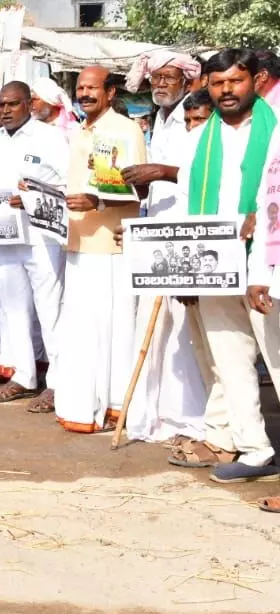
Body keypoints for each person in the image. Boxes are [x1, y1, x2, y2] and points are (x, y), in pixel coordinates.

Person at [183, 50, 280, 484]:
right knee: (232, 362)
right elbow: (184, 212)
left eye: (234, 82)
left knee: (276, 361)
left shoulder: (275, 129)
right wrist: (184, 273)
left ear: (256, 81)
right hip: (212, 268)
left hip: (266, 267)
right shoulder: (198, 140)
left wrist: (260, 264)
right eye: (217, 83)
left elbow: (268, 205)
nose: (225, 90)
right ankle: (255, 451)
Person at [118, 51, 210, 450]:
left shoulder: (200, 118)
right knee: (155, 329)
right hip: (157, 229)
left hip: (188, 233)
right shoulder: (160, 118)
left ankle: (192, 420)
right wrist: (143, 184)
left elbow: (206, 172)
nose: (160, 84)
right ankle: (155, 416)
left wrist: (160, 172)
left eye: (168, 78)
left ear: (187, 81)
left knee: (186, 336)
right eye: (155, 78)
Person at [53, 68, 146, 433]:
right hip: (79, 242)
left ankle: (114, 406)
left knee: (113, 328)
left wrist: (97, 202)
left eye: (92, 88)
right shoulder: (79, 130)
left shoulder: (125, 130)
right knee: (80, 330)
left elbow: (138, 189)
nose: (85, 94)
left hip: (111, 244)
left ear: (110, 92)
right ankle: (82, 405)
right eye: (80, 88)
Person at [0, 82, 68, 408]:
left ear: (29, 104)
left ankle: (57, 382)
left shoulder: (50, 137)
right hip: (3, 238)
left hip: (41, 238)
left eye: (12, 104)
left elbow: (67, 184)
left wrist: (29, 197)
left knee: (49, 310)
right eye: (2, 105)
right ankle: (24, 376)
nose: (6, 110)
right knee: (13, 310)